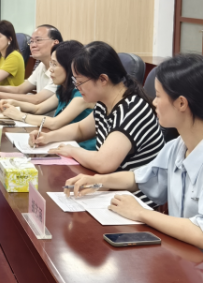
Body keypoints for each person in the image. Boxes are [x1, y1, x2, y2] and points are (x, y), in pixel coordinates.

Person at [64, 54, 203, 283]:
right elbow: (139, 178)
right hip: (193, 258)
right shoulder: (178, 146)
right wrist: (97, 181)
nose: (153, 102)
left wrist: (141, 212)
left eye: (158, 95)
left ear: (181, 103)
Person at [29, 41, 164, 207]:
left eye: (80, 82)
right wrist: (48, 137)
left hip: (134, 201)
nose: (77, 87)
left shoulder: (132, 109)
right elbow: (80, 129)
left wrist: (72, 150)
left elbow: (103, 162)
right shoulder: (105, 102)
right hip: (109, 189)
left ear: (102, 79)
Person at [0, 41, 97, 150]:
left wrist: (19, 116)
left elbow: (55, 123)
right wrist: (14, 102)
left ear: (70, 67)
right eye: (50, 64)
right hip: (65, 144)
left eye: (55, 64)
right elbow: (38, 108)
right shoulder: (64, 88)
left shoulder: (82, 94)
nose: (50, 70)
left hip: (82, 149)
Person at [0, 24, 62, 104]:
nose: (33, 45)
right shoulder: (42, 65)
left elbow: (37, 99)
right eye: (31, 41)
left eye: (38, 40)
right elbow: (20, 89)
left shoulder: (61, 69)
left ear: (55, 43)